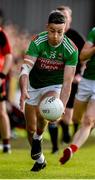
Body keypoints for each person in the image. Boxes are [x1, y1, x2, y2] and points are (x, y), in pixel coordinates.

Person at [19, 10, 78, 172]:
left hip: (54, 85)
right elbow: (25, 70)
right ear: (47, 28)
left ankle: (39, 136)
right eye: (52, 31)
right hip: (34, 84)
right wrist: (24, 88)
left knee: (47, 108)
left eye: (60, 32)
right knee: (29, 129)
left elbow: (67, 83)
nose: (56, 36)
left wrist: (62, 107)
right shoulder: (38, 41)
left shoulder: (71, 49)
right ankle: (40, 159)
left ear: (65, 29)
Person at [48, 5, 85, 153]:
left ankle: (68, 134)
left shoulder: (76, 37)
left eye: (65, 17)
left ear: (70, 19)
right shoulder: (50, 36)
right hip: (54, 79)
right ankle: (55, 147)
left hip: (70, 80)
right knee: (52, 113)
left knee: (67, 116)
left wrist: (80, 74)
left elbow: (85, 57)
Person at [59, 26, 95, 165]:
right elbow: (83, 56)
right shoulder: (94, 32)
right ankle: (79, 129)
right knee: (76, 118)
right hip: (87, 80)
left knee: (89, 120)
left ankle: (71, 149)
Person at [0, 9, 13, 153]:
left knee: (1, 111)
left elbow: (9, 56)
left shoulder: (1, 34)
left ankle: (6, 145)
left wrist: (2, 76)